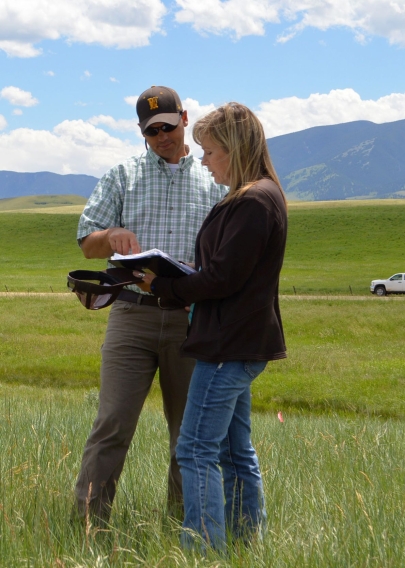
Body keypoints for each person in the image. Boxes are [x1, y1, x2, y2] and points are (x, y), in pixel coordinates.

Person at [134, 102, 287, 552]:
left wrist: (165, 286)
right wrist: (183, 276)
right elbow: (226, 269)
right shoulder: (257, 195)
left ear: (235, 150)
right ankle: (243, 544)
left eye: (210, 152)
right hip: (240, 342)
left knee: (196, 449)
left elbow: (223, 278)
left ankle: (204, 550)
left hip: (227, 346)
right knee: (233, 451)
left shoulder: (253, 201)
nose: (203, 161)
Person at [73, 85, 227, 523]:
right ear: (142, 132)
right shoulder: (122, 175)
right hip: (131, 315)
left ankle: (183, 530)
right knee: (113, 426)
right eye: (151, 130)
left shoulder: (212, 179)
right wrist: (111, 236)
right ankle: (86, 525)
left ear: (184, 117)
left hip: (191, 321)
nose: (162, 136)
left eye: (168, 125)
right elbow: (87, 241)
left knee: (189, 437)